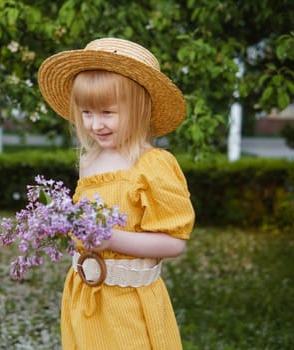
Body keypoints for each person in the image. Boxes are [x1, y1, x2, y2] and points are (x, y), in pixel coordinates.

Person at [37, 38, 195, 349]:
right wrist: (61, 227)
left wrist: (113, 240)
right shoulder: (88, 159)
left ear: (139, 108)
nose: (96, 124)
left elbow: (175, 243)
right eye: (86, 113)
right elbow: (84, 224)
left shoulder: (153, 165)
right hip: (85, 297)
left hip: (130, 308)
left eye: (107, 112)